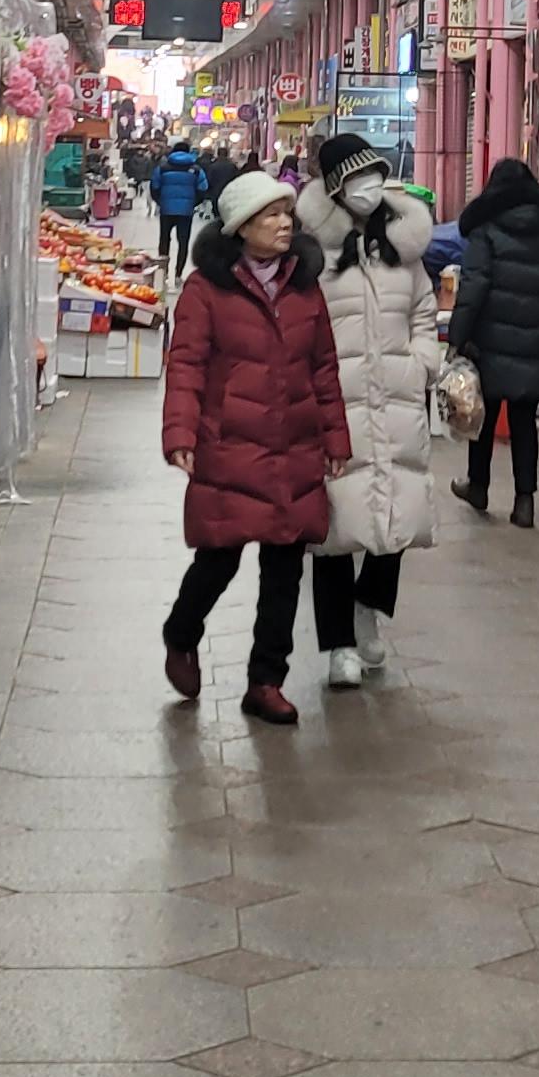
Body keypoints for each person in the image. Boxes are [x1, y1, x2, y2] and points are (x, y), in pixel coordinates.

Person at [159, 168, 351, 724]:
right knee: (218, 559)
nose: (285, 224)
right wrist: (180, 433)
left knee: (284, 571)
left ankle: (266, 681)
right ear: (241, 226)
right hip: (230, 446)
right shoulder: (206, 290)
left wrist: (335, 437)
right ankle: (181, 632)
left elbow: (324, 368)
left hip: (294, 447)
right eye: (271, 215)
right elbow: (186, 365)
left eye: (287, 214)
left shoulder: (304, 287)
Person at [301, 131, 444, 688]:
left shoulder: (403, 249)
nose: (367, 187)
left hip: (399, 399)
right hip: (335, 401)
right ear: (335, 188)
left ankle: (369, 608)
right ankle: (338, 643)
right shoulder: (315, 253)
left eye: (373, 175)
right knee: (334, 525)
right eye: (356, 178)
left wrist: (423, 361)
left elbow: (424, 311)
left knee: (399, 513)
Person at [446, 152, 539, 529]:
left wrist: (457, 337)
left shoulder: (486, 230)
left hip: (490, 339)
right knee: (524, 421)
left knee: (483, 416)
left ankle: (478, 486)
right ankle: (524, 501)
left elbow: (473, 286)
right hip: (536, 338)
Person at [148, 134, 205, 274]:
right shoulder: (196, 169)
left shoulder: (163, 168)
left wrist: (161, 202)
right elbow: (203, 189)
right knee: (183, 242)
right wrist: (193, 203)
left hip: (166, 210)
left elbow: (154, 186)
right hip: (186, 211)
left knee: (164, 240)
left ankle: (163, 272)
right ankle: (178, 273)